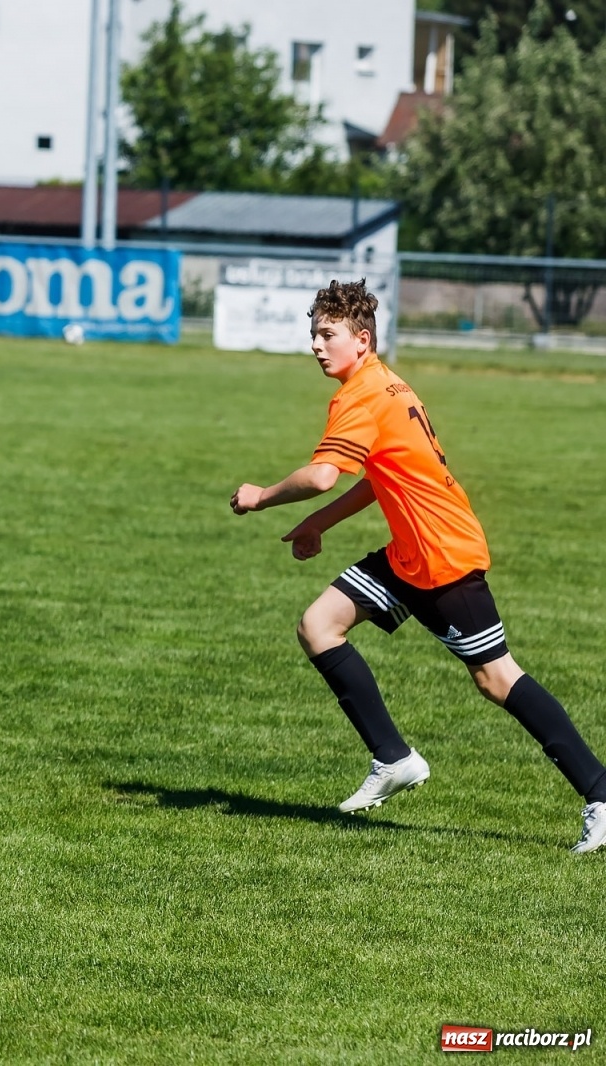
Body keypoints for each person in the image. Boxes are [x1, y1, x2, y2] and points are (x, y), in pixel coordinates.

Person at [230, 279, 605, 853]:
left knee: (498, 678)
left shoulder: (362, 394)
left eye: (327, 334)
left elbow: (324, 475)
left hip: (443, 556)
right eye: (313, 334)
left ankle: (601, 794)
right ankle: (393, 758)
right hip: (410, 553)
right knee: (318, 626)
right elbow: (378, 481)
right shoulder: (383, 383)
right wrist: (317, 526)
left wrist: (261, 495)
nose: (315, 345)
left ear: (361, 339)